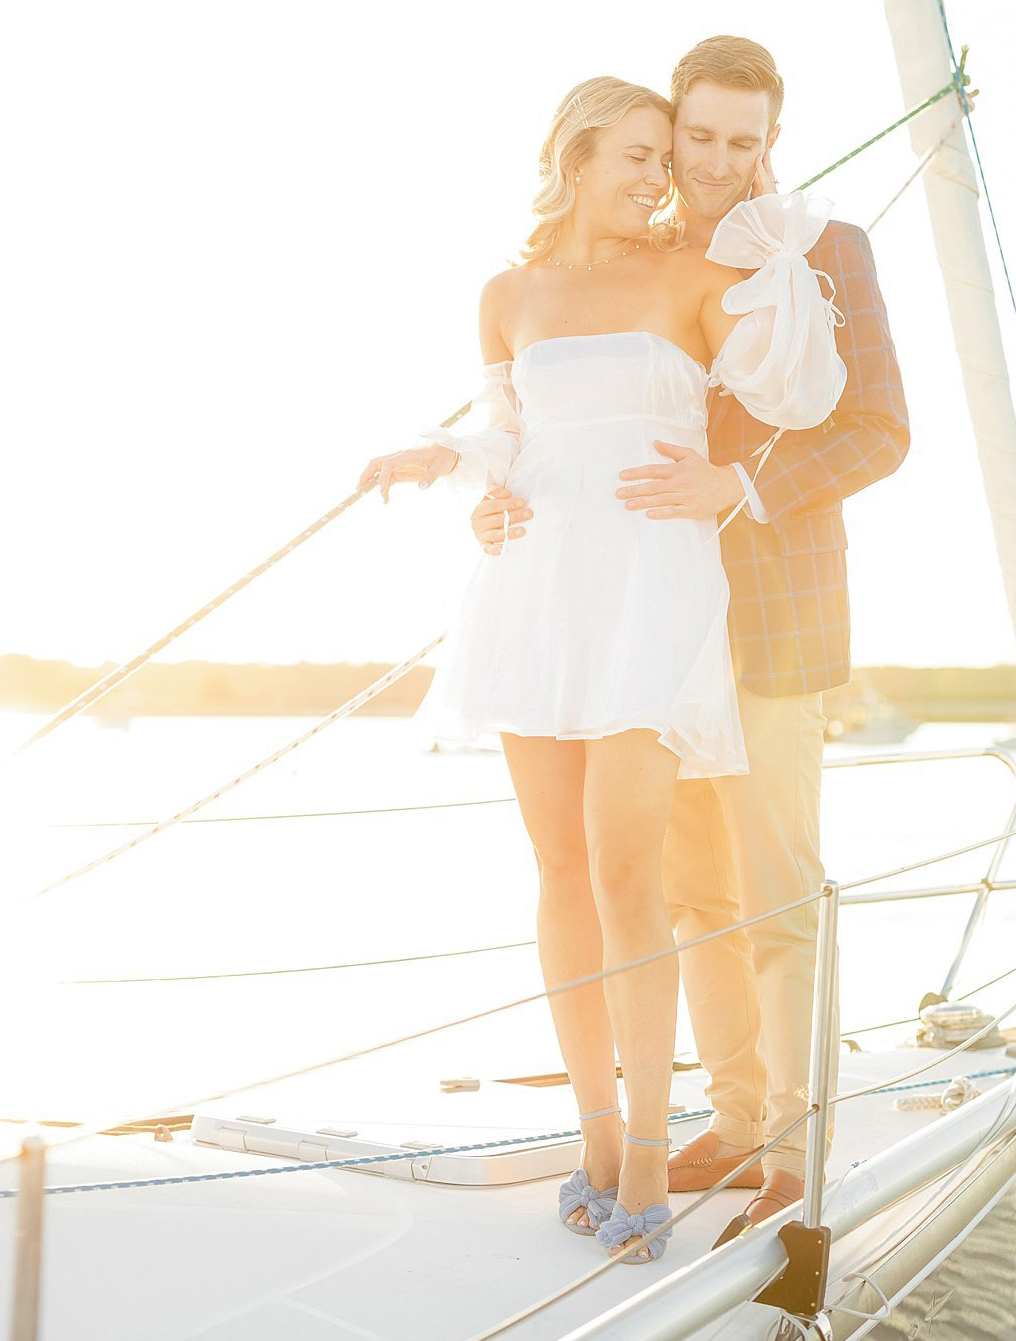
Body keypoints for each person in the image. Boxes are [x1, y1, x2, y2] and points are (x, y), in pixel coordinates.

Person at [357, 73, 845, 1264]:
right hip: (537, 584)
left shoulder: (697, 277)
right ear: (574, 158)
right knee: (560, 866)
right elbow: (512, 434)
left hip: (651, 583)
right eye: (634, 157)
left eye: (659, 160)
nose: (656, 177)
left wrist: (777, 251)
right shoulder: (507, 293)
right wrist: (449, 465)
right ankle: (588, 1129)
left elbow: (802, 391)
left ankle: (641, 1145)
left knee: (631, 867)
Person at [468, 38, 910, 1237]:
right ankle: (733, 1118)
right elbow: (552, 403)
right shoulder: (649, 257)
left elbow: (877, 431)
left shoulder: (824, 250)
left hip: (767, 610)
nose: (711, 163)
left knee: (772, 892)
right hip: (635, 615)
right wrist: (484, 479)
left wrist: (743, 487)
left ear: (773, 140)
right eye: (693, 137)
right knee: (686, 893)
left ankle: (796, 1152)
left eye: (736, 140)